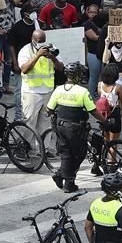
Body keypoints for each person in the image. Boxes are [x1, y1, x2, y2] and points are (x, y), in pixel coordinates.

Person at [46, 62, 104, 192]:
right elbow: (93, 111)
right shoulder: (83, 92)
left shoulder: (58, 89)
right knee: (78, 154)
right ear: (77, 76)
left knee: (66, 154)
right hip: (76, 128)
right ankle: (68, 182)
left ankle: (62, 177)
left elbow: (48, 110)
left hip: (60, 127)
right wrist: (105, 121)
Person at [18, 29, 64, 139]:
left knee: (46, 123)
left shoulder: (50, 48)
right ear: (33, 40)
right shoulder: (26, 50)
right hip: (31, 92)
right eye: (39, 41)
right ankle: (26, 147)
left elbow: (61, 68)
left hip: (47, 91)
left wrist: (52, 57)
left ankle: (43, 149)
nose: (42, 43)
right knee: (29, 122)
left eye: (43, 40)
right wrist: (37, 55)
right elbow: (24, 69)